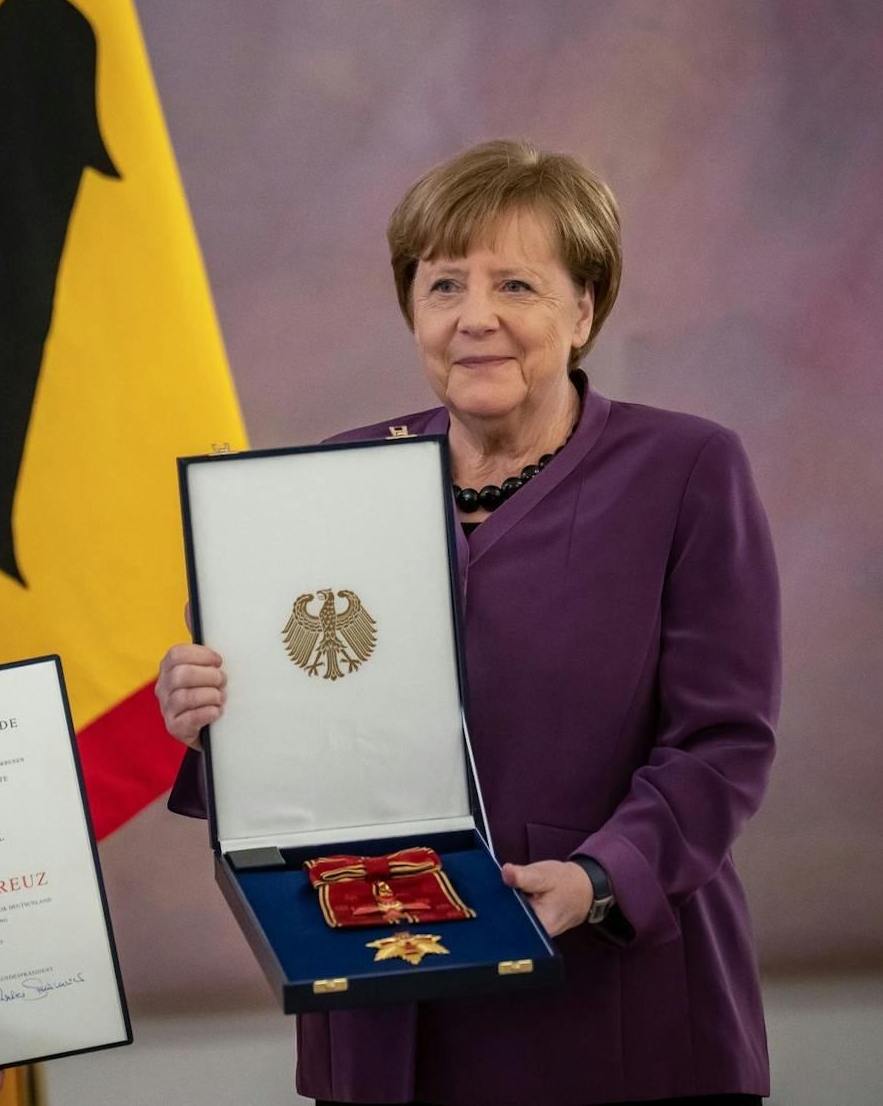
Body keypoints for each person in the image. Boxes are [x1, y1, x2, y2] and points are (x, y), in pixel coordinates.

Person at [155, 140, 779, 1105]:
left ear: (584, 308)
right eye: (444, 284)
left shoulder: (687, 470)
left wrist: (598, 878)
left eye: (518, 285)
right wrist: (213, 711)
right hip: (383, 999)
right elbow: (297, 728)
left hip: (613, 998)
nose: (476, 317)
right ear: (412, 309)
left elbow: (722, 744)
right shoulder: (327, 477)